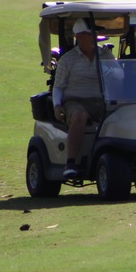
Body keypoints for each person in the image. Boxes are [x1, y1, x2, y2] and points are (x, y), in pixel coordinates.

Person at [52, 18, 105, 178]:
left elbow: (118, 77)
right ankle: (71, 162)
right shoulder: (68, 60)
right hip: (76, 101)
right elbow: (58, 87)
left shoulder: (105, 55)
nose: (95, 37)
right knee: (79, 115)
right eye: (91, 34)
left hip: (101, 101)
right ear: (79, 36)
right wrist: (57, 106)